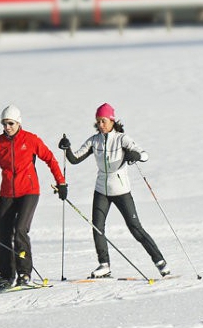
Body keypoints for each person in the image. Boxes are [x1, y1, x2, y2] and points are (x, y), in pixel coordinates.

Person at [59, 103, 169, 279]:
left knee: (135, 228)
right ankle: (104, 265)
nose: (100, 125)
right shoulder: (94, 140)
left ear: (111, 120)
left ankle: (160, 261)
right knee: (97, 227)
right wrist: (67, 148)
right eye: (98, 121)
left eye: (103, 121)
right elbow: (74, 159)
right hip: (101, 189)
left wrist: (137, 156)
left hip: (121, 190)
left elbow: (144, 154)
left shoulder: (121, 139)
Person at [0, 104, 67, 290]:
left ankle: (24, 273)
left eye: (10, 123)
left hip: (29, 192)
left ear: (18, 122)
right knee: (3, 233)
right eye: (4, 124)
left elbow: (50, 158)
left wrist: (61, 183)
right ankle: (6, 275)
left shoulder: (30, 139)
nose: (7, 127)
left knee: (20, 231)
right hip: (7, 193)